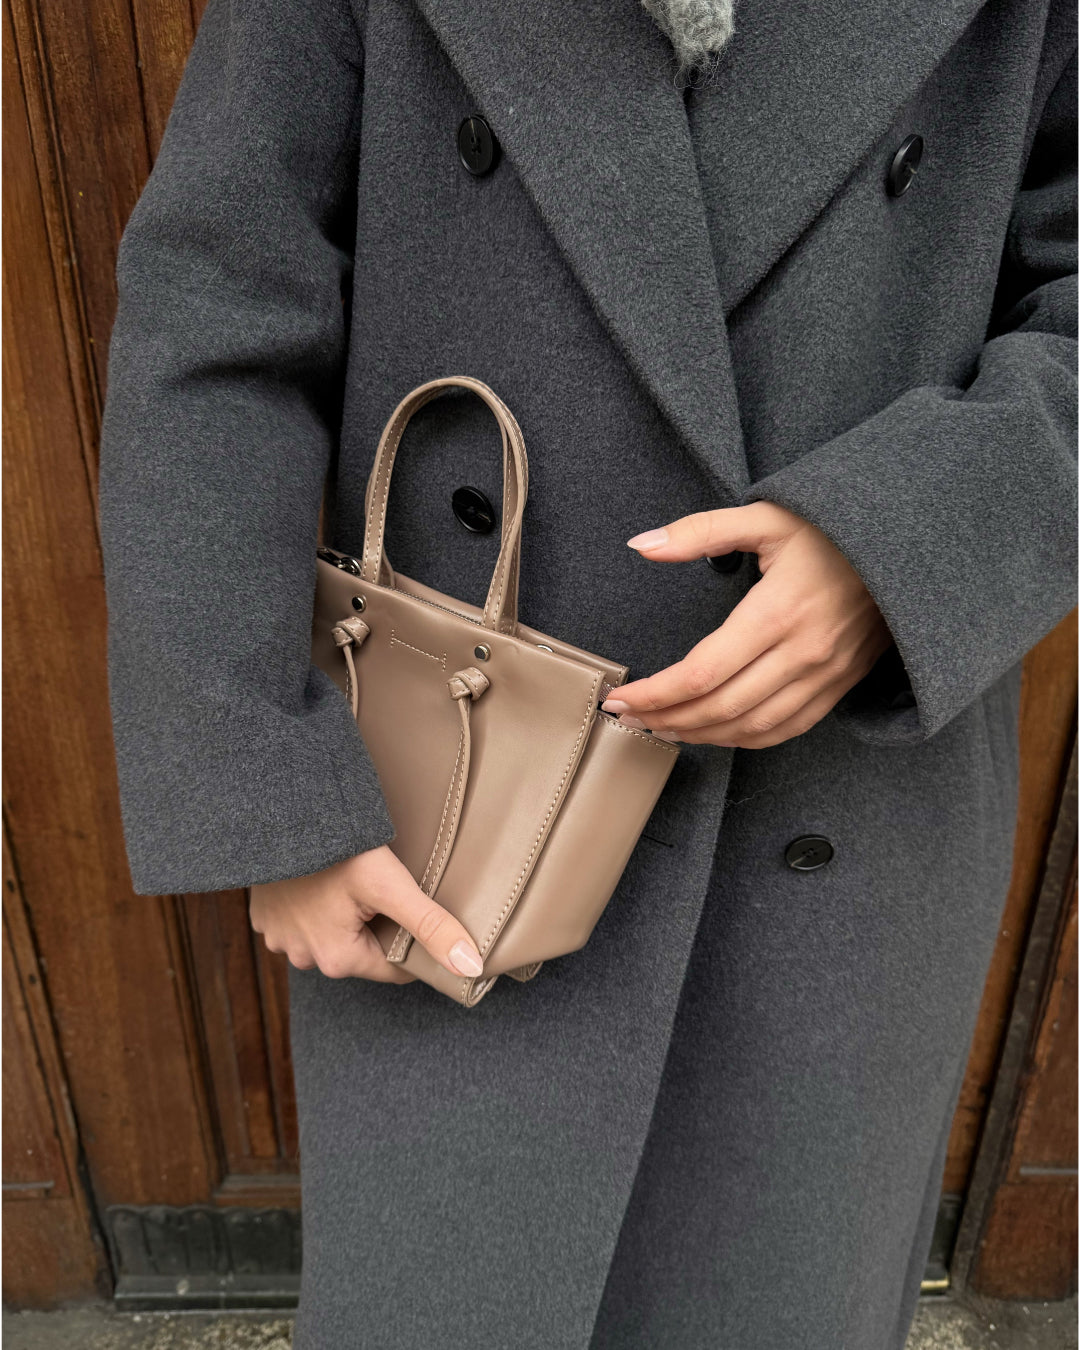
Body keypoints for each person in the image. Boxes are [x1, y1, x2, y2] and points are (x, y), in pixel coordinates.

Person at [97, 0, 1077, 1345]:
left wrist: (904, 549)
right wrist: (270, 786)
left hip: (835, 819)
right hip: (453, 817)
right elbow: (216, 308)